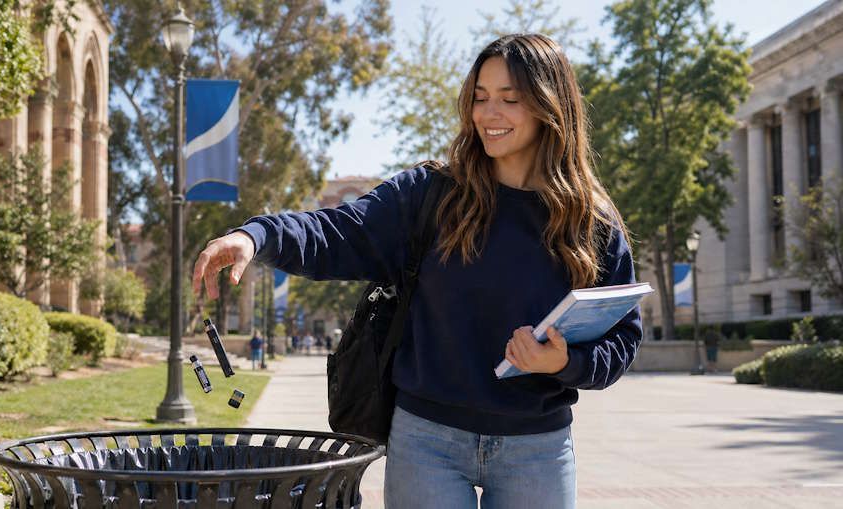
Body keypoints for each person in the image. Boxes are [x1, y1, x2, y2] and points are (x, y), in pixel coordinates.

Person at [193, 33, 642, 509]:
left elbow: (622, 337)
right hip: (427, 443)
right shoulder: (430, 194)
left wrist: (565, 363)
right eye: (480, 98)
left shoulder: (589, 221)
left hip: (538, 449)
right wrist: (256, 236)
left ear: (552, 108)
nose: (489, 115)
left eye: (510, 100)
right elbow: (338, 231)